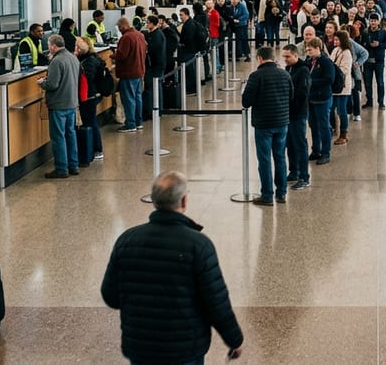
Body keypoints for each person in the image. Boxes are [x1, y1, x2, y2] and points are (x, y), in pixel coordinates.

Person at [101, 171, 244, 364]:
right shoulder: (198, 246)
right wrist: (234, 340)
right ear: (184, 201)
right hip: (185, 350)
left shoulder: (127, 240)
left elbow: (111, 296)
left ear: (154, 200)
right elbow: (216, 303)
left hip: (140, 347)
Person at [241, 47, 292, 206]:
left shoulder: (256, 76)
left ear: (260, 58)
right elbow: (291, 95)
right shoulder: (285, 74)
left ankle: (267, 195)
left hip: (263, 124)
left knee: (264, 160)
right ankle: (282, 193)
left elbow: (246, 101)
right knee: (280, 157)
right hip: (282, 122)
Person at [39, 35, 81, 178]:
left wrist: (41, 83)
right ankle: (73, 165)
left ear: (53, 46)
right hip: (71, 102)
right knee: (71, 134)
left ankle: (62, 168)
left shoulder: (56, 61)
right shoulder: (72, 57)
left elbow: (52, 84)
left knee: (58, 137)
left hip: (58, 104)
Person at [282, 44, 311, 190]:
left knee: (300, 144)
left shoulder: (303, 70)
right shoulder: (289, 68)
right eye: (284, 57)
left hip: (298, 114)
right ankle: (294, 170)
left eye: (287, 56)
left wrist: (292, 106)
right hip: (288, 114)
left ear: (295, 55)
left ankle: (304, 176)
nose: (285, 59)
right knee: (290, 144)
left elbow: (302, 94)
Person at [305, 38, 336, 165]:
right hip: (311, 98)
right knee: (313, 126)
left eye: (310, 50)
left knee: (324, 126)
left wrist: (311, 82)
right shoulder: (309, 61)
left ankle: (325, 152)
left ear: (318, 48)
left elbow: (329, 79)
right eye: (307, 50)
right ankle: (316, 150)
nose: (308, 52)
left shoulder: (326, 62)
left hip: (322, 98)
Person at [114, 16, 148, 133]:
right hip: (139, 71)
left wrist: (113, 56)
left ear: (123, 26)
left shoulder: (126, 38)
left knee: (128, 99)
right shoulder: (139, 35)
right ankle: (138, 122)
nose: (119, 30)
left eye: (119, 27)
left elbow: (122, 55)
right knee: (138, 98)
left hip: (128, 72)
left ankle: (130, 124)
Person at [76, 37, 105, 165]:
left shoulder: (88, 62)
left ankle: (97, 150)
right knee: (91, 121)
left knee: (90, 121)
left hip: (89, 96)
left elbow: (87, 78)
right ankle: (94, 149)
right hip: (94, 94)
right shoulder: (95, 58)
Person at [361, 14, 386, 109]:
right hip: (367, 62)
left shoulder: (383, 32)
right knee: (368, 83)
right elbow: (361, 45)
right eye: (371, 20)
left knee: (380, 82)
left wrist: (379, 44)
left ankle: (381, 102)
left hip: (379, 62)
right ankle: (369, 101)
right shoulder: (365, 32)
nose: (373, 23)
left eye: (375, 21)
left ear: (378, 22)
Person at [330, 31, 354, 146]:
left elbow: (344, 69)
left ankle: (343, 134)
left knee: (341, 110)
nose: (335, 42)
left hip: (342, 86)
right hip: (334, 85)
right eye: (334, 40)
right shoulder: (335, 50)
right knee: (330, 108)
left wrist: (333, 70)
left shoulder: (347, 53)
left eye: (337, 40)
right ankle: (332, 128)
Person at [142, 14, 167, 122]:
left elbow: (153, 50)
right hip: (157, 65)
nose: (146, 25)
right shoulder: (156, 34)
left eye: (148, 23)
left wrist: (146, 46)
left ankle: (154, 109)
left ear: (153, 23)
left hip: (155, 66)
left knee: (152, 88)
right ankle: (157, 109)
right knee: (156, 88)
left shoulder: (156, 35)